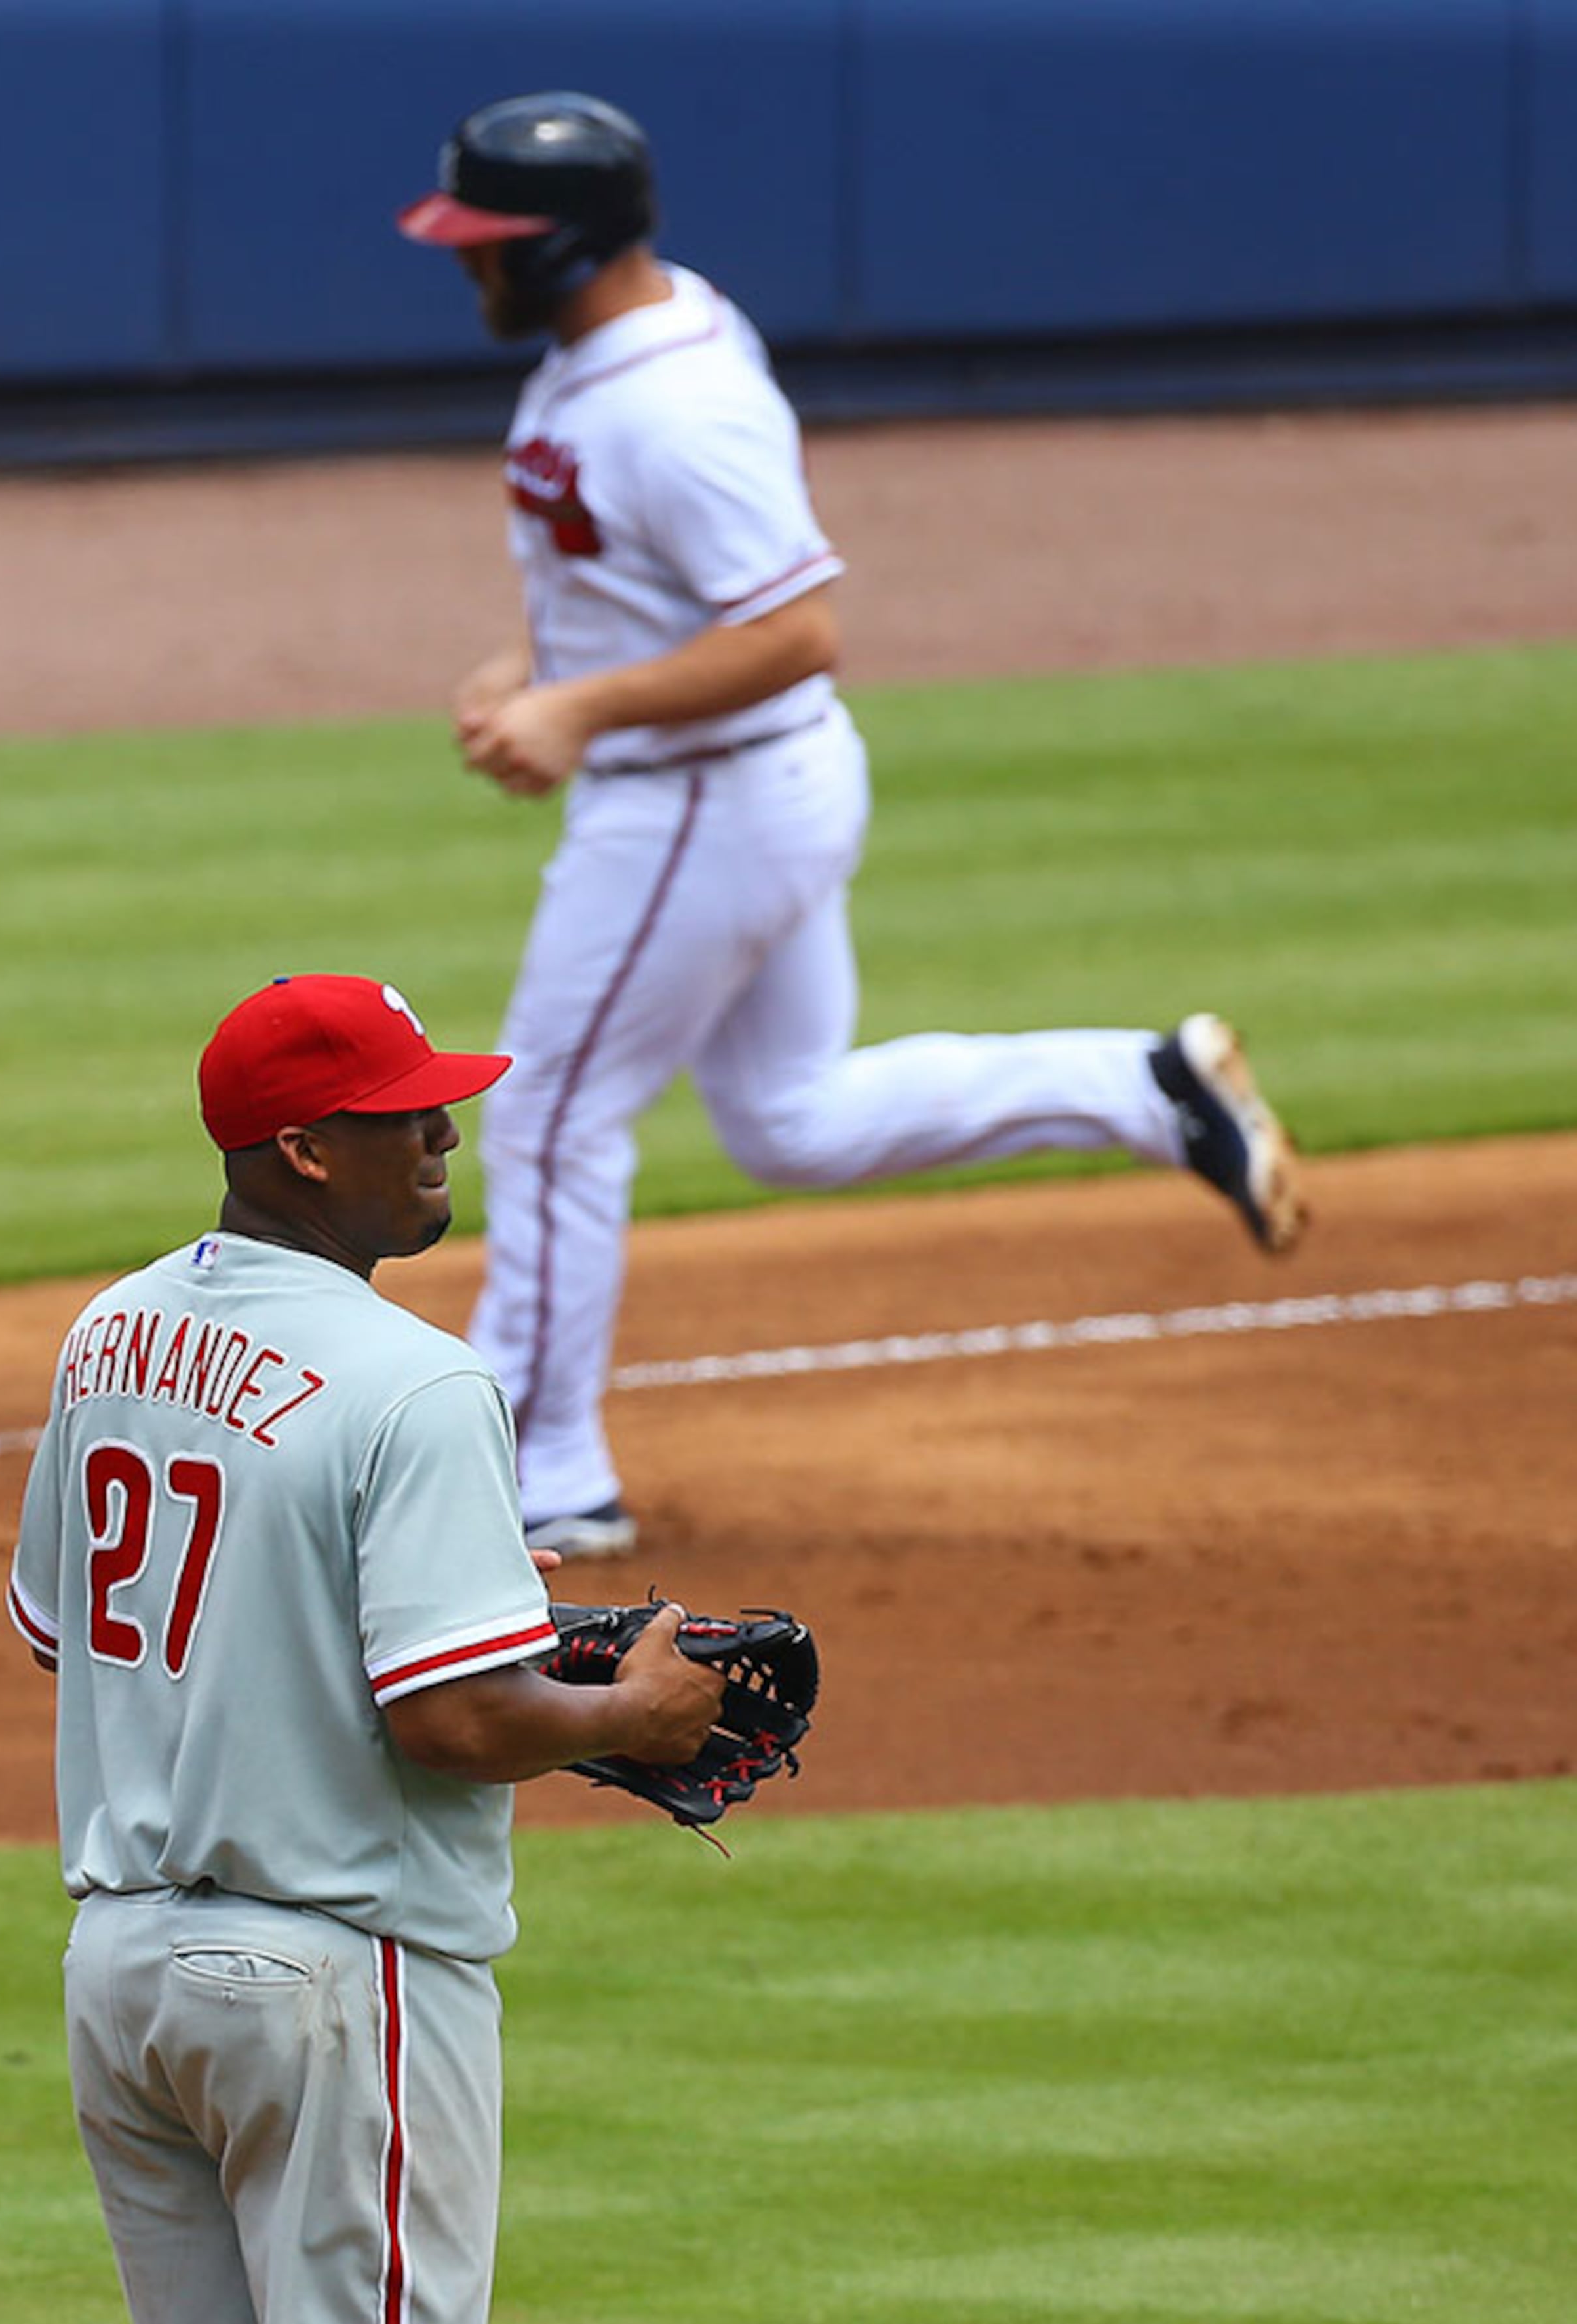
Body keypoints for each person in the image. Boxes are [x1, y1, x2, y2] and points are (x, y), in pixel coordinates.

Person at [7, 972, 724, 2324]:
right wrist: (627, 1716)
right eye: (409, 1121)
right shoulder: (415, 1381)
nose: (447, 1145)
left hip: (127, 1964)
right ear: (301, 1149)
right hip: (340, 1979)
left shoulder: (112, 1333)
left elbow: (67, 1616)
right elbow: (452, 1712)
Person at [397, 92, 1308, 1558]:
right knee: (791, 1121)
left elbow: (798, 629)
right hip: (748, 787)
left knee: (553, 1114)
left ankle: (546, 1469)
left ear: (560, 248)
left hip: (708, 800)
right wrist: (538, 665)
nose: (465, 267)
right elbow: (630, 568)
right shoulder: (621, 344)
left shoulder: (674, 408)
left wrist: (576, 713)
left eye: (487, 243)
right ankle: (1145, 1091)